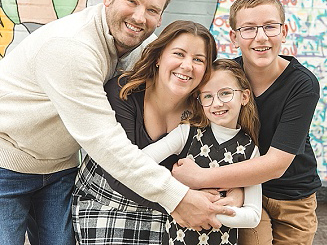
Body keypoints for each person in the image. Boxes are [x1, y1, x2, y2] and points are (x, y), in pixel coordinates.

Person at [0, 0, 230, 245]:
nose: (139, 16)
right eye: (131, 1)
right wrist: (178, 198)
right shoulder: (71, 49)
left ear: (159, 18)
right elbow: (105, 143)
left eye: (152, 10)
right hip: (7, 164)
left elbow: (186, 68)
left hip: (59, 167)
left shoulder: (142, 46)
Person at [172, 0, 322, 245]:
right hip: (243, 189)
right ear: (234, 37)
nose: (260, 37)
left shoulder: (302, 84)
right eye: (249, 28)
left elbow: (276, 164)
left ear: (283, 31)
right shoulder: (224, 78)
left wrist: (199, 178)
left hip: (294, 197)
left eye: (270, 27)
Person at [72, 20, 219, 244]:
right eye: (179, 54)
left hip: (166, 208)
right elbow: (119, 173)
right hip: (109, 198)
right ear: (159, 57)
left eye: (198, 59)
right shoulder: (124, 92)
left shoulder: (204, 110)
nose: (188, 66)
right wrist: (179, 201)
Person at [146, 59, 262, 245]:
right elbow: (142, 161)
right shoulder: (187, 133)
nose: (216, 103)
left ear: (244, 97)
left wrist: (206, 210)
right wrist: (177, 195)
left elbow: (253, 215)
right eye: (207, 96)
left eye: (225, 93)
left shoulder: (249, 150)